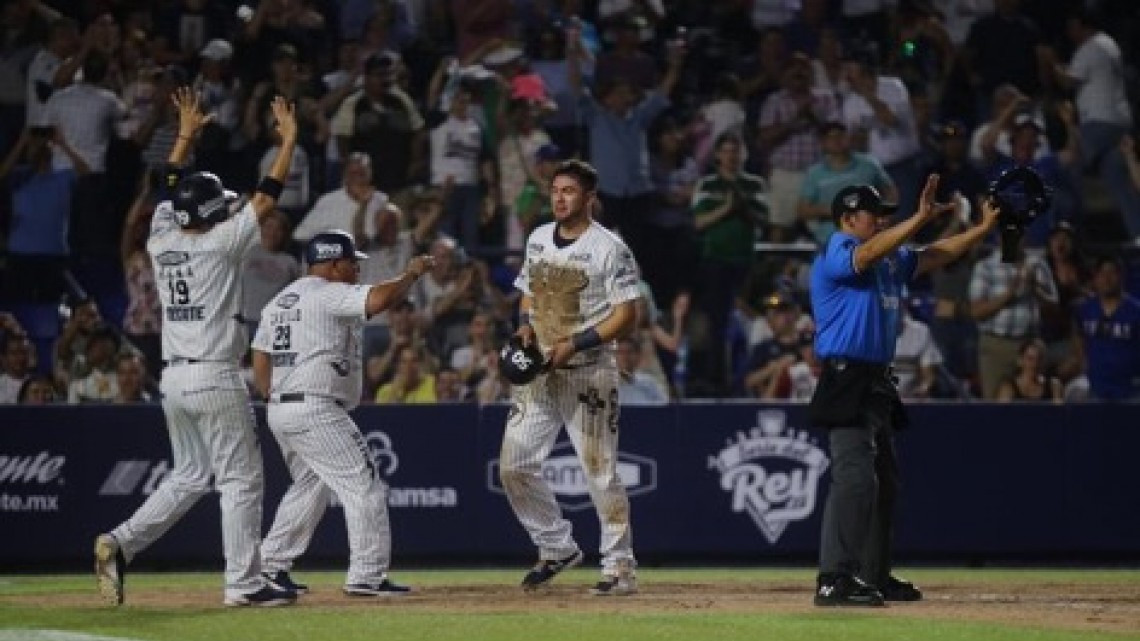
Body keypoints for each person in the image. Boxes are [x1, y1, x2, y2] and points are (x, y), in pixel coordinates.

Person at [94, 88, 300, 608]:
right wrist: (289, 141)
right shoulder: (221, 241)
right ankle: (244, 584)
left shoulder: (162, 238)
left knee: (189, 475)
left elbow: (161, 186)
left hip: (174, 378)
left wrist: (184, 136)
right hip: (212, 374)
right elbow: (268, 195)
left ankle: (120, 543)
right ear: (211, 210)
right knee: (241, 479)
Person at [808, 175, 1002, 606]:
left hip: (877, 377)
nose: (879, 221)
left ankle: (872, 574)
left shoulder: (891, 260)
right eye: (872, 214)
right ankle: (834, 578)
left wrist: (982, 230)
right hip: (846, 376)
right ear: (847, 218)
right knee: (855, 478)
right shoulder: (838, 248)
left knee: (886, 482)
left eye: (882, 215)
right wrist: (917, 218)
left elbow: (935, 255)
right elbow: (867, 254)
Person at [254, 230, 432, 597]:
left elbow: (260, 350)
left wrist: (268, 390)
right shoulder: (326, 292)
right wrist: (411, 273)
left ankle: (270, 566)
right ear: (333, 264)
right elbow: (380, 299)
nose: (356, 269)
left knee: (310, 487)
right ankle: (367, 575)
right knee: (363, 486)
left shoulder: (280, 301)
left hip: (284, 407)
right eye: (353, 263)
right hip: (316, 407)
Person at [499, 159, 643, 595]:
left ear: (589, 198)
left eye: (569, 191)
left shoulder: (610, 248)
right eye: (555, 190)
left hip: (588, 371)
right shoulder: (539, 237)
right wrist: (525, 325)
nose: (560, 198)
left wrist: (574, 344)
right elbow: (529, 294)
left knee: (599, 471)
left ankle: (619, 569)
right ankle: (556, 546)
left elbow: (627, 316)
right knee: (513, 465)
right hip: (541, 369)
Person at [995, 338, 1062, 403]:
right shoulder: (1008, 387)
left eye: (1039, 359)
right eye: (1030, 359)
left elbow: (1059, 412)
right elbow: (1002, 413)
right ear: (1020, 360)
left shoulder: (1053, 386)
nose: (1035, 364)